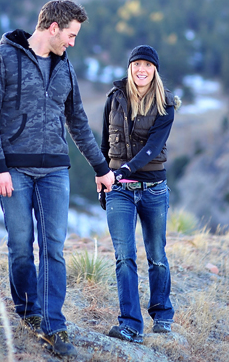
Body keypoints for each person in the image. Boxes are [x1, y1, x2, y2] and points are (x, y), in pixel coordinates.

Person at [0, 0, 115, 357]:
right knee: (21, 244)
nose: (72, 42)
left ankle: (53, 325)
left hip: (55, 171)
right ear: (53, 27)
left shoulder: (65, 70)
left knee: (53, 247)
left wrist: (101, 169)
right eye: (70, 35)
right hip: (15, 170)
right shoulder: (2, 58)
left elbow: (79, 123)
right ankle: (28, 312)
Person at [102, 45, 178, 343]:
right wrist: (104, 177)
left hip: (154, 190)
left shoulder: (166, 104)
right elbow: (105, 143)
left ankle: (162, 314)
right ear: (130, 67)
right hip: (119, 191)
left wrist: (123, 171)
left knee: (157, 255)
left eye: (147, 65)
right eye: (137, 64)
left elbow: (152, 148)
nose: (141, 69)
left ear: (155, 70)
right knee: (124, 257)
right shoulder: (114, 99)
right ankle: (130, 324)